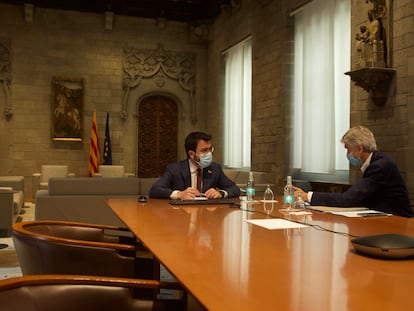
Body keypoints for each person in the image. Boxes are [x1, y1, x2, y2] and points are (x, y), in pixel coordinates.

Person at [294, 126, 413, 217]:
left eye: (348, 149)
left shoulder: (379, 167)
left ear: (360, 148)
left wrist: (307, 196)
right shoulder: (376, 163)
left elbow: (347, 199)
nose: (348, 154)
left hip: (398, 223)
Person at [149, 131, 240, 200]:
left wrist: (221, 193)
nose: (209, 154)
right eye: (204, 151)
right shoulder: (175, 169)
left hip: (207, 216)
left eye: (210, 149)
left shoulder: (215, 168)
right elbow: (155, 190)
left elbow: (234, 189)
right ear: (192, 154)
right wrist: (179, 194)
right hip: (181, 216)